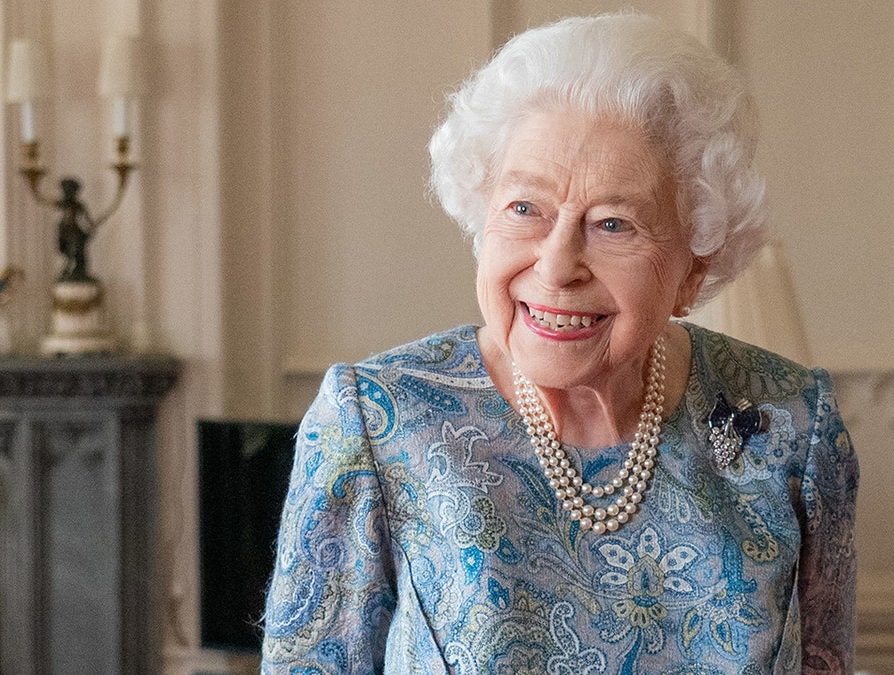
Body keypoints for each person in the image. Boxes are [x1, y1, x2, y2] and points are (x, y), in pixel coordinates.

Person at [262, 13, 858, 674]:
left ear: (692, 266)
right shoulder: (374, 423)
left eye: (613, 222)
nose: (556, 264)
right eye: (525, 208)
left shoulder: (790, 425)